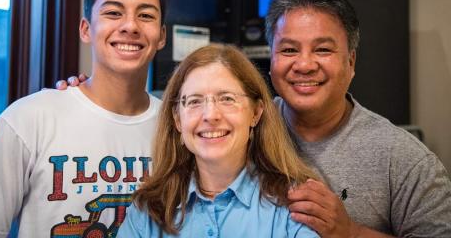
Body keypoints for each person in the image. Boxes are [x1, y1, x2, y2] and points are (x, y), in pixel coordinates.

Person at [0, 0, 173, 237]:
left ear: (162, 35)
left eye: (145, 15)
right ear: (86, 29)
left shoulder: (176, 130)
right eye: (113, 13)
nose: (130, 26)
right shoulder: (27, 120)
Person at [266, 0, 451, 237]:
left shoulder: (403, 159)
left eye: (323, 49)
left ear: (350, 62)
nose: (305, 64)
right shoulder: (244, 131)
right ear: (271, 60)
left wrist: (351, 233)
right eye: (288, 50)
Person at [116, 44, 319, 237]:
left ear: (256, 112)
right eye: (195, 101)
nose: (210, 115)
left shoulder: (296, 202)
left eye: (227, 99)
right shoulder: (148, 208)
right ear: (178, 119)